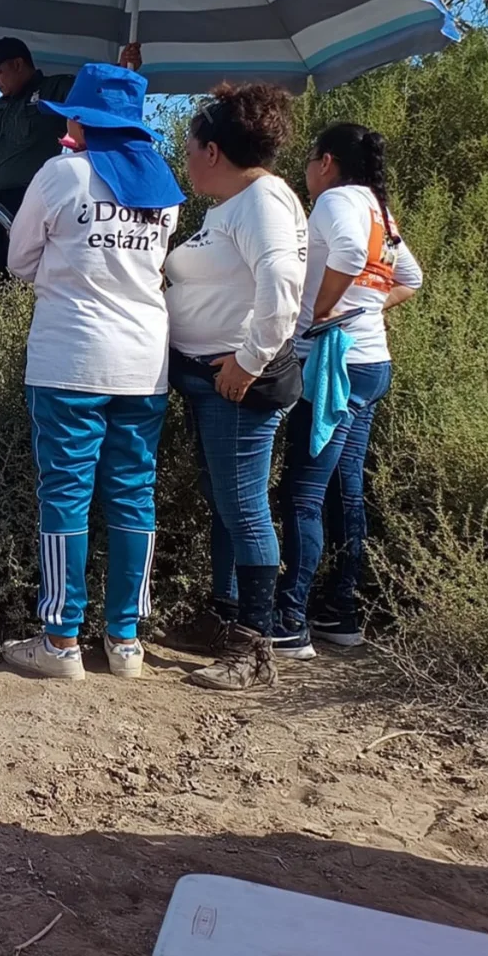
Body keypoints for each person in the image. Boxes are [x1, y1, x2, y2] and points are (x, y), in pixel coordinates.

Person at [0, 63, 183, 682]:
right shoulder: (164, 184)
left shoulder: (62, 174)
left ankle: (61, 641)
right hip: (144, 362)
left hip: (69, 357)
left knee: (66, 493)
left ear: (82, 119)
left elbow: (19, 259)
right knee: (133, 492)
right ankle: (126, 640)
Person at [163, 84, 309, 691]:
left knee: (245, 507)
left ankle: (254, 647)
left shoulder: (262, 203)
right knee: (226, 501)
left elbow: (283, 287)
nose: (186, 159)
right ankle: (225, 617)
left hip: (238, 386)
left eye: (189, 148)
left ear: (213, 151)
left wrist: (247, 362)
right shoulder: (234, 205)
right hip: (211, 378)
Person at [273, 124, 423, 655]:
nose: (307, 172)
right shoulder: (380, 210)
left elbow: (352, 254)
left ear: (326, 162)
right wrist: (365, 309)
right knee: (345, 488)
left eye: (310, 160)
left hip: (331, 367)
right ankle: (341, 612)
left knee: (303, 493)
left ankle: (289, 620)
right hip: (371, 361)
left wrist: (321, 312)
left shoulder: (336, 202)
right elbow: (410, 279)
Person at [0, 37, 71, 294]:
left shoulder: (55, 90)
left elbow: (98, 95)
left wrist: (123, 68)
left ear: (18, 64)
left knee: (26, 280)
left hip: (28, 200)